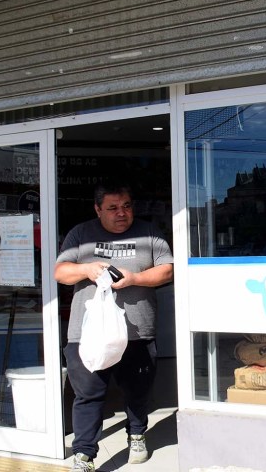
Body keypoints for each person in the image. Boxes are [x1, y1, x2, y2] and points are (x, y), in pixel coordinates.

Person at [55, 181, 174, 472]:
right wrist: (86, 269)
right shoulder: (81, 234)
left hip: (137, 332)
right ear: (98, 210)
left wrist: (134, 279)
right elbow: (60, 272)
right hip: (88, 335)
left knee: (137, 391)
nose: (121, 213)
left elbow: (168, 270)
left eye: (126, 206)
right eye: (112, 208)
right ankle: (84, 454)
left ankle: (136, 434)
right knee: (88, 394)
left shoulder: (149, 232)